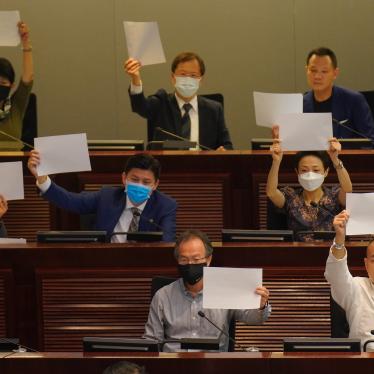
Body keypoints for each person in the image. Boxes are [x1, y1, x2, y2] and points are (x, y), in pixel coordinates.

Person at [144, 229, 270, 352]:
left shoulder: (224, 291)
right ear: (177, 261)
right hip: (175, 364)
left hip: (213, 364)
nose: (190, 264)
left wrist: (260, 306)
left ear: (208, 260)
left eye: (196, 259)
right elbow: (152, 341)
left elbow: (255, 319)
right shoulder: (163, 296)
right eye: (184, 260)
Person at [27, 151, 177, 242]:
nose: (139, 186)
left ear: (155, 185)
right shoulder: (107, 197)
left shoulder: (166, 206)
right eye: (135, 180)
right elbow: (71, 201)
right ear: (124, 178)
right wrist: (42, 178)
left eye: (146, 182)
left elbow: (167, 243)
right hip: (105, 263)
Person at [124, 52, 233, 150]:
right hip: (168, 168)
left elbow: (227, 146)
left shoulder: (213, 109)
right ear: (173, 77)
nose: (187, 79)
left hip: (204, 168)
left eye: (193, 75)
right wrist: (135, 79)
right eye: (183, 74)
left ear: (201, 80)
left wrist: (223, 151)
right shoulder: (161, 103)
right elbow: (140, 106)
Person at [266, 126, 352, 240]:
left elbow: (348, 190)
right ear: (297, 172)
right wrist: (276, 162)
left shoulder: (333, 195)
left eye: (316, 170)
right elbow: (271, 192)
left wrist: (335, 159)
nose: (310, 174)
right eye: (304, 170)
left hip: (330, 252)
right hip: (296, 253)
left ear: (325, 172)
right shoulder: (290, 196)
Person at [325, 210, 374, 351]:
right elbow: (336, 274)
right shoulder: (357, 287)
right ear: (366, 264)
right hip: (362, 364)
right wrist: (339, 239)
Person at [303, 47, 374, 142]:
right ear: (306, 70)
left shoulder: (354, 100)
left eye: (324, 71)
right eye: (313, 70)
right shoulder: (301, 104)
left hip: (347, 156)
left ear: (335, 73)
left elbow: (369, 141)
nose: (317, 76)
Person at [0, 21, 34, 150]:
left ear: (12, 85)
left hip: (15, 165)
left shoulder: (16, 106)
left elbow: (28, 78)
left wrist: (26, 42)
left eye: (3, 83)